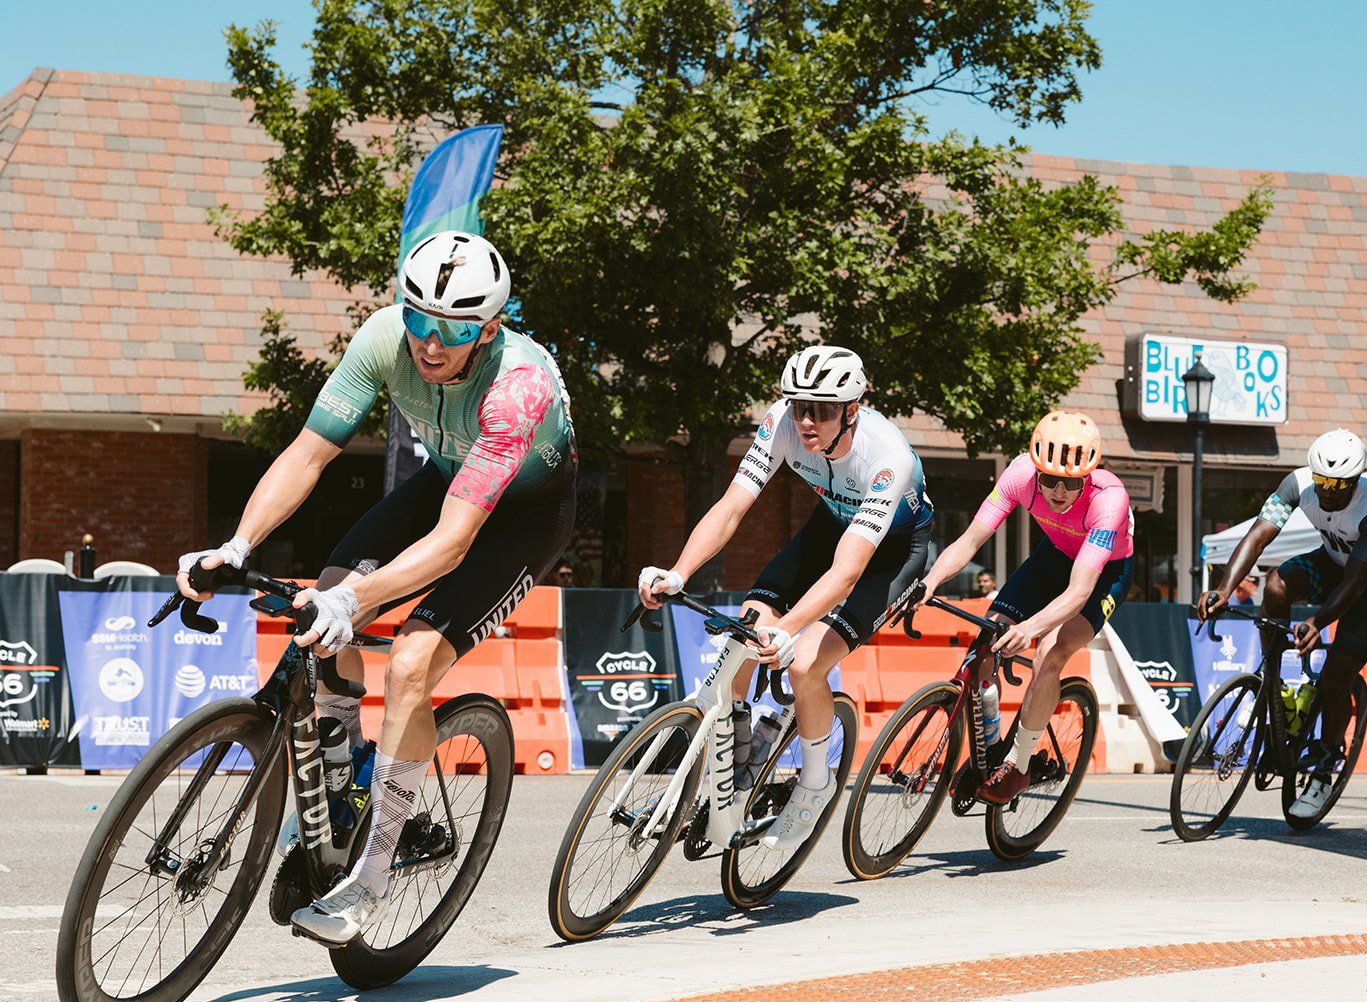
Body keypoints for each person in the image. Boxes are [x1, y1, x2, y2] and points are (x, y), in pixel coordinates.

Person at [178, 231, 577, 943]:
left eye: (450, 330)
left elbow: (455, 543)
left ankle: (370, 877)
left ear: (487, 329)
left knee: (411, 660)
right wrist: (236, 544)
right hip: (448, 478)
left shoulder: (517, 387)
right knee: (326, 588)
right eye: (418, 318)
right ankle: (350, 766)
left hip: (523, 516)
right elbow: (310, 451)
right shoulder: (386, 337)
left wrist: (354, 604)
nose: (428, 342)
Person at [637, 345, 933, 849]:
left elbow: (846, 573)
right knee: (740, 636)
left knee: (803, 666)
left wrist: (788, 629)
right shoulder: (781, 423)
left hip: (890, 553)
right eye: (798, 406)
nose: (805, 420)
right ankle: (737, 764)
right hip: (830, 526)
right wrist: (679, 571)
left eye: (820, 410)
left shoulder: (888, 459)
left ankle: (815, 786)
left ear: (852, 411)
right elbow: (732, 507)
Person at [917, 411, 1134, 803]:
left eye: (1070, 483)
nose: (1058, 492)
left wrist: (1031, 628)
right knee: (987, 640)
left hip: (1105, 573)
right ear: (1035, 470)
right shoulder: (1019, 474)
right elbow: (969, 542)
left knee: (1051, 650)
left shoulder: (1110, 499)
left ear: (1087, 476)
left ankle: (1018, 764)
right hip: (1052, 556)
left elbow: (1079, 591)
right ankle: (992, 748)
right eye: (1048, 479)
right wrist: (930, 581)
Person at [1198, 427, 1367, 820]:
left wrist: (1317, 620)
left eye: (1336, 484)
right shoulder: (1297, 483)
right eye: (1320, 480)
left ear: (1355, 479)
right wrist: (1223, 588)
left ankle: (1325, 767)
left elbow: (1356, 582)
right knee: (1275, 585)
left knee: (1334, 679)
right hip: (1332, 559)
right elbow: (1258, 537)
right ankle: (1271, 687)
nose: (1326, 490)